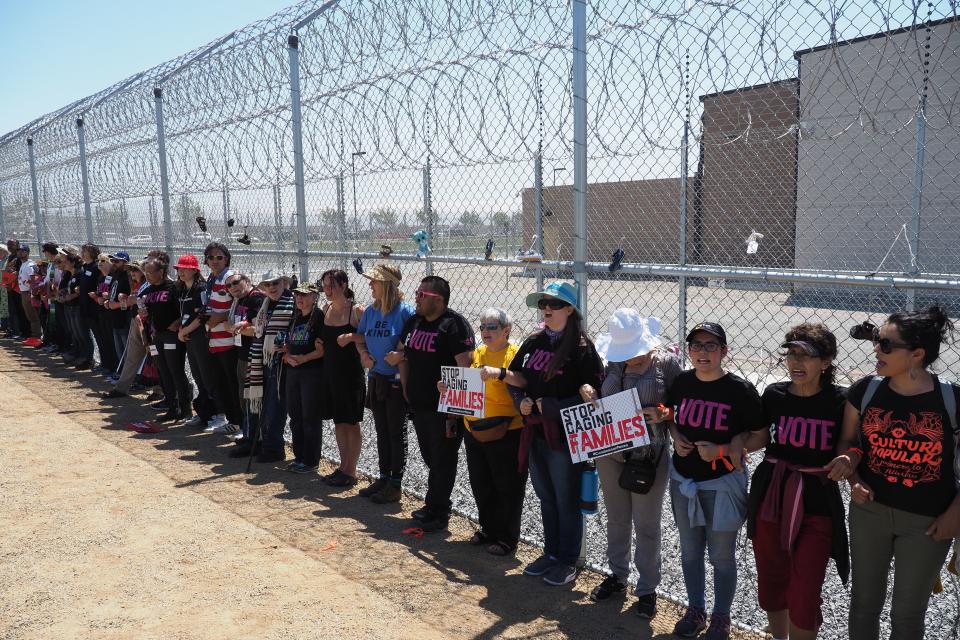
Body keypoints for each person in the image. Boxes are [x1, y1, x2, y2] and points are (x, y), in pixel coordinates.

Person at [829, 305, 960, 640]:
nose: (876, 350)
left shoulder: (951, 399)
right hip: (869, 512)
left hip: (928, 523)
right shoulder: (866, 390)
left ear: (917, 354)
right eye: (877, 341)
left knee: (907, 614)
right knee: (863, 605)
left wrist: (955, 515)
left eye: (886, 345)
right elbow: (848, 442)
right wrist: (852, 477)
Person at [647, 321, 763, 640]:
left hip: (722, 481)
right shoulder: (683, 382)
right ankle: (696, 609)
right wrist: (675, 434)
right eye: (697, 346)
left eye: (711, 346)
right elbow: (670, 412)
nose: (703, 352)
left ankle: (721, 617)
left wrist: (723, 449)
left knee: (721, 555)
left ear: (724, 351)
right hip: (684, 479)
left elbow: (761, 434)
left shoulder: (739, 389)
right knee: (689, 550)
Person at [745, 323, 848, 640]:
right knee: (773, 581)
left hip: (816, 504)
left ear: (827, 361)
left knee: (804, 593)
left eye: (807, 355)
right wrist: (720, 447)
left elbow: (850, 445)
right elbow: (759, 437)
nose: (796, 362)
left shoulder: (841, 401)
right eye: (791, 353)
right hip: (771, 497)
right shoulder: (774, 394)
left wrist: (851, 460)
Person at [506, 281, 603, 587]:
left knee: (566, 499)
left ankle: (568, 559)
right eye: (543, 303)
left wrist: (554, 406)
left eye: (555, 304)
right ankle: (551, 553)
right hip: (534, 432)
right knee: (546, 496)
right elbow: (514, 377)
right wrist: (518, 401)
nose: (547, 309)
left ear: (570, 309)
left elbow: (594, 396)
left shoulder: (582, 350)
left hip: (564, 437)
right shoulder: (534, 341)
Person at [590, 309, 681, 618]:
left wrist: (666, 414)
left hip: (649, 455)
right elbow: (601, 400)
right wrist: (589, 394)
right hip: (612, 450)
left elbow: (685, 405)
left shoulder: (667, 365)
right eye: (625, 353)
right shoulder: (612, 362)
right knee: (616, 518)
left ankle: (647, 589)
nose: (631, 359)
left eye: (636, 352)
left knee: (646, 524)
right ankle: (617, 575)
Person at [387, 275, 475, 532]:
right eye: (417, 293)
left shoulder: (454, 325)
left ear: (438, 299)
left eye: (421, 294)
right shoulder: (414, 322)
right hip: (419, 402)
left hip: (444, 407)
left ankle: (437, 510)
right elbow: (402, 353)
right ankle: (436, 505)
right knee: (430, 456)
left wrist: (458, 408)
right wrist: (404, 386)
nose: (416, 297)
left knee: (443, 458)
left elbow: (465, 365)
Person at [442, 307, 525, 556]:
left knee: (507, 484)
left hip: (506, 430)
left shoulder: (514, 354)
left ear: (506, 330)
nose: (486, 332)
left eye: (492, 327)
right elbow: (467, 388)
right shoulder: (478, 353)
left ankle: (508, 537)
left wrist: (499, 374)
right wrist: (448, 390)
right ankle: (488, 528)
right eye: (483, 327)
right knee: (481, 482)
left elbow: (523, 381)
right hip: (474, 428)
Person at [342, 264, 413, 503]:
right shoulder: (372, 311)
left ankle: (395, 483)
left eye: (375, 281)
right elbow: (362, 337)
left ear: (387, 285)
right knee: (382, 431)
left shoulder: (405, 312)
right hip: (376, 378)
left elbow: (413, 345)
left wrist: (401, 359)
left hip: (396, 380)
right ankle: (384, 478)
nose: (370, 284)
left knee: (396, 431)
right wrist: (362, 353)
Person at [321, 268, 366, 487]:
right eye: (325, 286)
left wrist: (351, 337)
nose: (327, 290)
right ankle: (343, 466)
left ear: (344, 285)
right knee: (339, 421)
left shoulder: (356, 311)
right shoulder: (326, 308)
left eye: (331, 285)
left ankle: (352, 469)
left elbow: (368, 337)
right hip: (330, 374)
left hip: (351, 374)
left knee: (351, 421)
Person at [244, 271, 294, 464]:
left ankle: (274, 448)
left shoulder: (290, 304)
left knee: (275, 405)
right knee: (263, 403)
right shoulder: (265, 305)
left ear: (284, 284)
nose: (272, 288)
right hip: (262, 360)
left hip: (280, 361)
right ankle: (262, 443)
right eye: (268, 284)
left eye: (276, 283)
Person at [140, 257, 192, 422]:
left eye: (150, 272)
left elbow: (184, 310)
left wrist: (177, 323)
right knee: (162, 371)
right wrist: (146, 338)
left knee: (175, 370)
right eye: (145, 272)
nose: (147, 275)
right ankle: (171, 407)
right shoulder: (147, 291)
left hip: (171, 336)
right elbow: (143, 315)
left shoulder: (174, 288)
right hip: (155, 337)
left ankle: (185, 409)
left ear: (161, 272)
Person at [174, 254, 221, 431]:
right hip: (189, 337)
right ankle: (205, 413)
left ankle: (219, 414)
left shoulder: (200, 289)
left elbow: (202, 316)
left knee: (208, 376)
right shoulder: (182, 289)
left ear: (195, 270)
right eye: (179, 269)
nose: (181, 272)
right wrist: (182, 329)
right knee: (198, 376)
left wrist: (185, 330)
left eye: (185, 269)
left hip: (200, 336)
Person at [202, 242, 245, 434]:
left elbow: (240, 303)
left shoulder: (229, 277)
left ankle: (241, 424)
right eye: (211, 257)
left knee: (232, 383)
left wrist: (218, 317)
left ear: (227, 258)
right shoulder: (212, 278)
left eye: (220, 257)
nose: (215, 261)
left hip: (228, 340)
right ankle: (232, 420)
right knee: (221, 382)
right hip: (214, 338)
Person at [284, 282, 325, 473]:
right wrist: (286, 356)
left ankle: (310, 460)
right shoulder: (295, 316)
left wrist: (303, 358)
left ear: (314, 297)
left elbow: (321, 350)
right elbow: (288, 345)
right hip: (294, 370)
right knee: (295, 415)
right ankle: (299, 456)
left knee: (310, 417)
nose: (300, 298)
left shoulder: (318, 317)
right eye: (297, 295)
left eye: (305, 295)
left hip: (312, 372)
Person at [225, 273, 266, 457]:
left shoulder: (255, 298)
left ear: (247, 281)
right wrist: (235, 327)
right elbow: (232, 325)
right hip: (242, 354)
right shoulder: (237, 301)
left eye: (235, 283)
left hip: (253, 355)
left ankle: (255, 439)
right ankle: (249, 434)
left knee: (252, 399)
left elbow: (257, 329)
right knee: (245, 398)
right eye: (229, 286)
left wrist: (237, 328)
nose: (233, 287)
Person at [103, 260, 148, 399]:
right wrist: (126, 300)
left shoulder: (148, 284)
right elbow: (128, 304)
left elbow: (140, 302)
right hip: (136, 321)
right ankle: (121, 388)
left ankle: (160, 390)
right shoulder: (135, 284)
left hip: (147, 324)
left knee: (154, 359)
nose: (133, 273)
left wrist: (129, 300)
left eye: (136, 270)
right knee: (131, 356)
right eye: (131, 270)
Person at [105, 251, 132, 365]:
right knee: (118, 348)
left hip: (123, 317)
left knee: (126, 349)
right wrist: (108, 301)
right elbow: (113, 293)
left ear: (125, 263)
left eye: (117, 261)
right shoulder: (115, 274)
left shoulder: (128, 276)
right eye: (113, 261)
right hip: (114, 317)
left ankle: (128, 376)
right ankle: (120, 371)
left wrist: (117, 305)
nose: (114, 263)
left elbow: (131, 300)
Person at [16, 244, 42, 346]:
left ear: (27, 252)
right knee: (29, 315)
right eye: (18, 251)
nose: (19, 252)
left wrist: (32, 294)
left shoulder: (30, 264)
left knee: (33, 316)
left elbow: (34, 279)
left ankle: (37, 337)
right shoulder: (24, 263)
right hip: (24, 292)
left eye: (22, 251)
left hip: (29, 293)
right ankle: (34, 336)